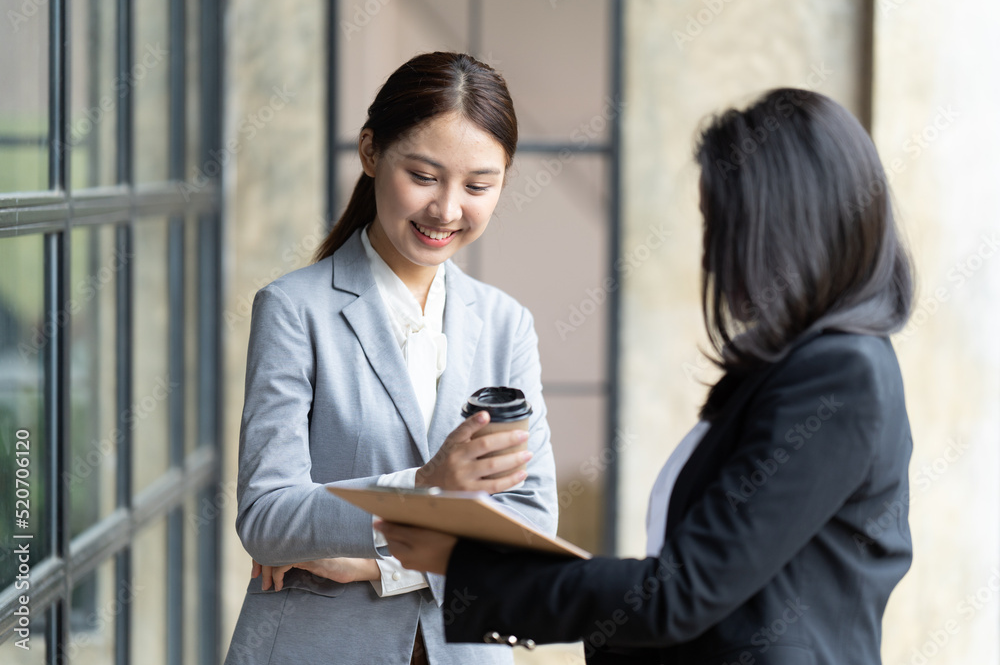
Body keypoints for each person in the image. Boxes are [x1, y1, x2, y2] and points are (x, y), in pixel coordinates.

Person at [378, 88, 915, 665]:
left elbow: (683, 592)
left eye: (722, 228)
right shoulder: (802, 370)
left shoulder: (840, 377)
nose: (711, 260)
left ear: (788, 228)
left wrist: (468, 570)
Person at [224, 52, 558, 665]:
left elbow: (530, 532)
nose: (448, 210)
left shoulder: (506, 325)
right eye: (425, 176)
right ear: (371, 152)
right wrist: (428, 487)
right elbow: (268, 517)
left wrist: (379, 564)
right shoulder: (294, 309)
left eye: (479, 186)